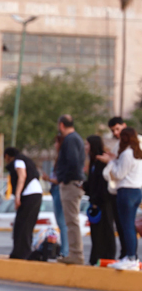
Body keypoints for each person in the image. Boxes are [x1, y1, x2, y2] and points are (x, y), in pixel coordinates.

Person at [100, 127, 142, 270]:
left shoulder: (127, 154)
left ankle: (131, 257)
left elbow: (118, 174)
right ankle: (132, 257)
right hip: (137, 190)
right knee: (129, 225)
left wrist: (111, 163)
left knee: (127, 226)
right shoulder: (138, 154)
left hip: (126, 191)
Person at [55, 115, 86, 265]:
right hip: (73, 182)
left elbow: (73, 162)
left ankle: (76, 254)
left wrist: (64, 178)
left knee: (71, 221)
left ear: (61, 125)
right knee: (71, 220)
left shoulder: (70, 139)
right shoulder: (76, 138)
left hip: (71, 184)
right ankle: (74, 253)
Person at [4, 147, 43, 259]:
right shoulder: (26, 160)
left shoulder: (18, 161)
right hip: (35, 194)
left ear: (7, 156)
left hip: (29, 195)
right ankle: (20, 252)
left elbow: (22, 177)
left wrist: (17, 196)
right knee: (24, 224)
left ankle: (22, 253)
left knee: (23, 225)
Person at [83, 135, 116, 265]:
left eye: (87, 144)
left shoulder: (101, 161)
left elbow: (103, 183)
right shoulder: (93, 162)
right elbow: (93, 183)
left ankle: (107, 257)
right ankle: (96, 257)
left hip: (104, 202)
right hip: (96, 201)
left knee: (105, 230)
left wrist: (96, 201)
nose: (85, 147)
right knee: (96, 232)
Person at [42, 134, 69, 258]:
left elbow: (60, 179)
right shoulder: (58, 158)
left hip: (59, 190)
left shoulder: (63, 158)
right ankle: (65, 250)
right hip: (55, 190)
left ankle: (65, 251)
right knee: (61, 222)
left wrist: (48, 179)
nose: (55, 145)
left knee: (62, 222)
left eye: (57, 142)